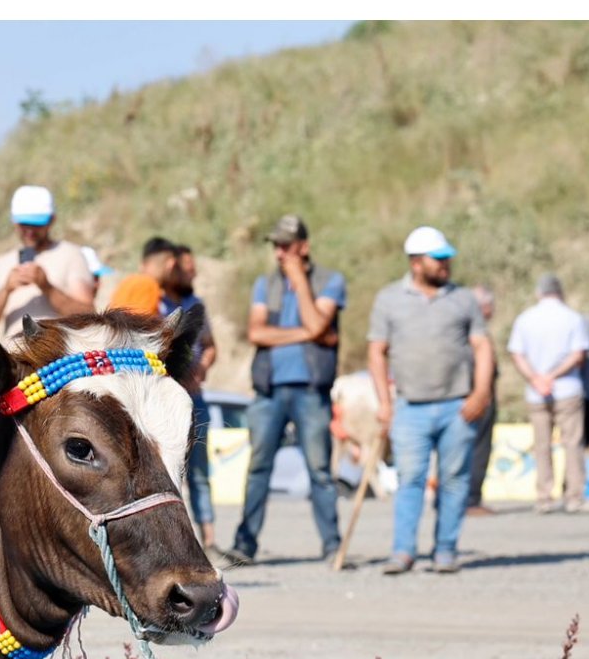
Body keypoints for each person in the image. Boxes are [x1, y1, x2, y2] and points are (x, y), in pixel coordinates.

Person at [367, 225, 494, 575]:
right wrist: (384, 402)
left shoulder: (464, 298)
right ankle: (403, 552)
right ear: (416, 262)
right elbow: (377, 351)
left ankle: (445, 550)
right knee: (410, 480)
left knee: (455, 480)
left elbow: (482, 346)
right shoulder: (389, 299)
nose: (445, 265)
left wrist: (481, 392)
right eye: (438, 259)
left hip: (458, 406)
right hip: (410, 406)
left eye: (447, 258)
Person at [224, 215, 347, 568]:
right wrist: (310, 333)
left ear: (303, 247)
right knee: (258, 468)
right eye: (276, 245)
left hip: (311, 388)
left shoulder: (330, 281)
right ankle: (244, 545)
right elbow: (258, 333)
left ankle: (331, 546)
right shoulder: (265, 284)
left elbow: (316, 320)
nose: (279, 253)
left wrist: (299, 283)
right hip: (269, 389)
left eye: (286, 246)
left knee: (320, 471)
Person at [507, 274, 588, 514]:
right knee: (572, 443)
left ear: (539, 293)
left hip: (536, 390)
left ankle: (544, 497)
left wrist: (536, 378)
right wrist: (553, 376)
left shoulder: (525, 319)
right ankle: (574, 496)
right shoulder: (573, 318)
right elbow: (578, 355)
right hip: (567, 387)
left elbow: (516, 354)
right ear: (560, 292)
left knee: (542, 445)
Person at [0, 185, 96, 342]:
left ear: (52, 220)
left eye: (37, 224)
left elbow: (89, 315)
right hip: (14, 358)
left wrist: (47, 287)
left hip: (57, 358)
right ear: (14, 222)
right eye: (24, 224)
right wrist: (6, 290)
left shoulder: (71, 254)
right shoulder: (1, 263)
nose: (30, 231)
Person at [160, 245, 220, 552]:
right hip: (167, 399)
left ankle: (209, 537)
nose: (193, 273)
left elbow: (210, 346)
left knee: (199, 469)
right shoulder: (156, 305)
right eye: (187, 267)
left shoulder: (196, 305)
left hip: (195, 396)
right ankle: (179, 538)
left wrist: (201, 367)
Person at [466, 285, 500, 515]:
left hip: (470, 392)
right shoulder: (475, 333)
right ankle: (471, 500)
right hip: (477, 394)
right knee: (477, 447)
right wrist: (482, 392)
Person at [105, 237, 181, 316]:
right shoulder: (147, 285)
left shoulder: (129, 281)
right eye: (177, 268)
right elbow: (140, 325)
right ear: (171, 264)